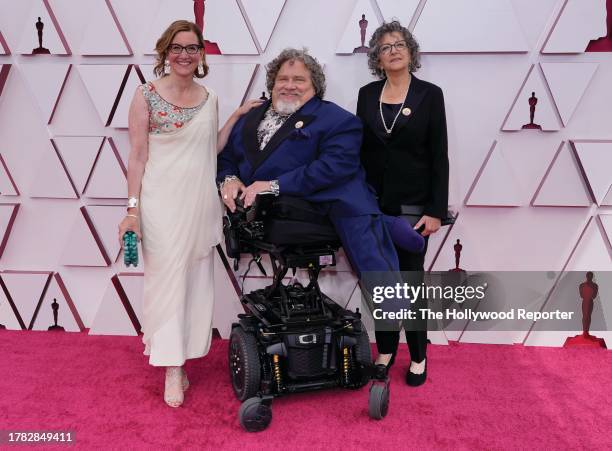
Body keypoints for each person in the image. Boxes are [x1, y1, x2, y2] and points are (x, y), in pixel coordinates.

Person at [217, 48, 424, 347]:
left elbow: (334, 167)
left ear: (315, 86)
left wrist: (272, 185)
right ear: (272, 83)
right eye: (282, 79)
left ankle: (391, 294)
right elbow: (227, 158)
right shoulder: (250, 116)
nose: (289, 85)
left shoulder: (337, 119)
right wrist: (229, 178)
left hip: (327, 196)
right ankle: (387, 224)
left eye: (299, 79)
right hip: (272, 209)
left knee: (353, 215)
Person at [117, 20, 261, 408]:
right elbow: (137, 156)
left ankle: (181, 359)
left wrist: (235, 117)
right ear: (165, 51)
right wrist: (132, 211)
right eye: (177, 47)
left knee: (194, 282)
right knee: (167, 282)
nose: (184, 54)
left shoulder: (210, 97)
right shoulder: (145, 95)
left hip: (199, 204)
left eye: (192, 48)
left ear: (201, 54)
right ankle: (171, 367)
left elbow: (209, 150)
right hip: (160, 202)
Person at [357, 21, 449, 386]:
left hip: (415, 208)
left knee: (410, 285)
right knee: (382, 284)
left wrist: (436, 211)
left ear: (411, 52)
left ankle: (419, 357)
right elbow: (359, 150)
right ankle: (385, 350)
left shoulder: (430, 94)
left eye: (399, 44)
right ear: (377, 59)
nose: (392, 50)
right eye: (384, 47)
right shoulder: (366, 95)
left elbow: (439, 155)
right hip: (375, 207)